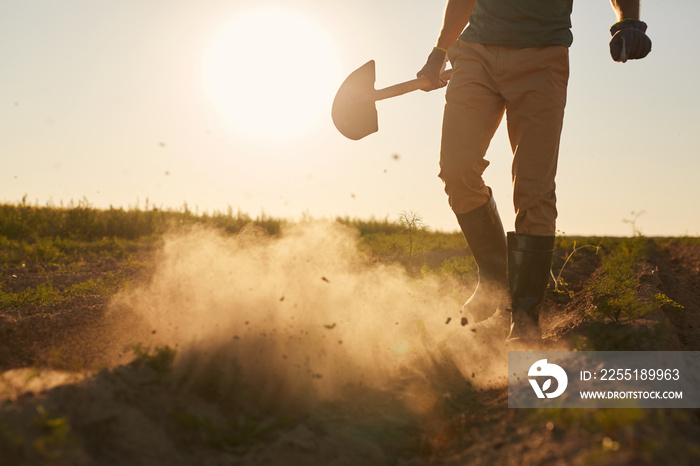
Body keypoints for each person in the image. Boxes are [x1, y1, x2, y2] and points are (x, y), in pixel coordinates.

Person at [417, 0, 651, 342]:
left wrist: (628, 20)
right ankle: (495, 281)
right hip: (475, 53)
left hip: (542, 58)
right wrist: (439, 50)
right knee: (456, 170)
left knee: (533, 188)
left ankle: (524, 318)